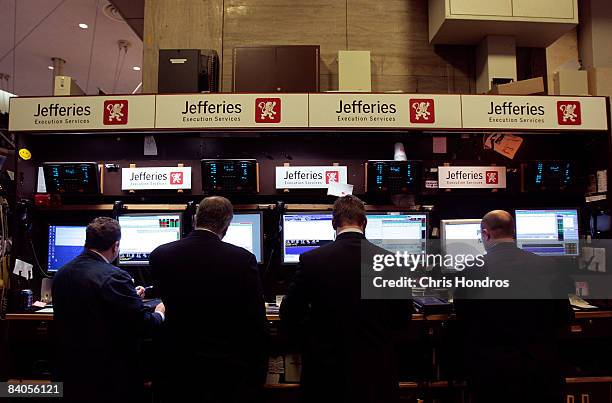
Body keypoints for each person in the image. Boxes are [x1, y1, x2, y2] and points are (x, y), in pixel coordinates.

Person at [280, 195, 413, 403]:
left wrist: (313, 335)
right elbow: (403, 318)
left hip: (326, 372)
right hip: (375, 372)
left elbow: (289, 314)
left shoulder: (312, 260)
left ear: (333, 223)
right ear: (365, 223)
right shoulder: (393, 262)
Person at [150, 196, 268, 403]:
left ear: (195, 219)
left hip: (176, 366)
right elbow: (256, 320)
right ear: (226, 225)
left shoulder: (161, 254)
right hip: (225, 369)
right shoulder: (242, 259)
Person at [454, 210, 573, 403]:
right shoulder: (549, 265)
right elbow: (564, 317)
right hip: (541, 370)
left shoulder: (472, 269)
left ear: (485, 234)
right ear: (514, 231)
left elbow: (462, 317)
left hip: (493, 373)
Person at [52, 217, 165, 403]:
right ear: (116, 246)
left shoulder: (62, 273)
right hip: (107, 378)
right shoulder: (115, 276)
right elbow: (143, 325)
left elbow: (93, 306)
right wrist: (160, 312)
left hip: (69, 372)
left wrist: (129, 297)